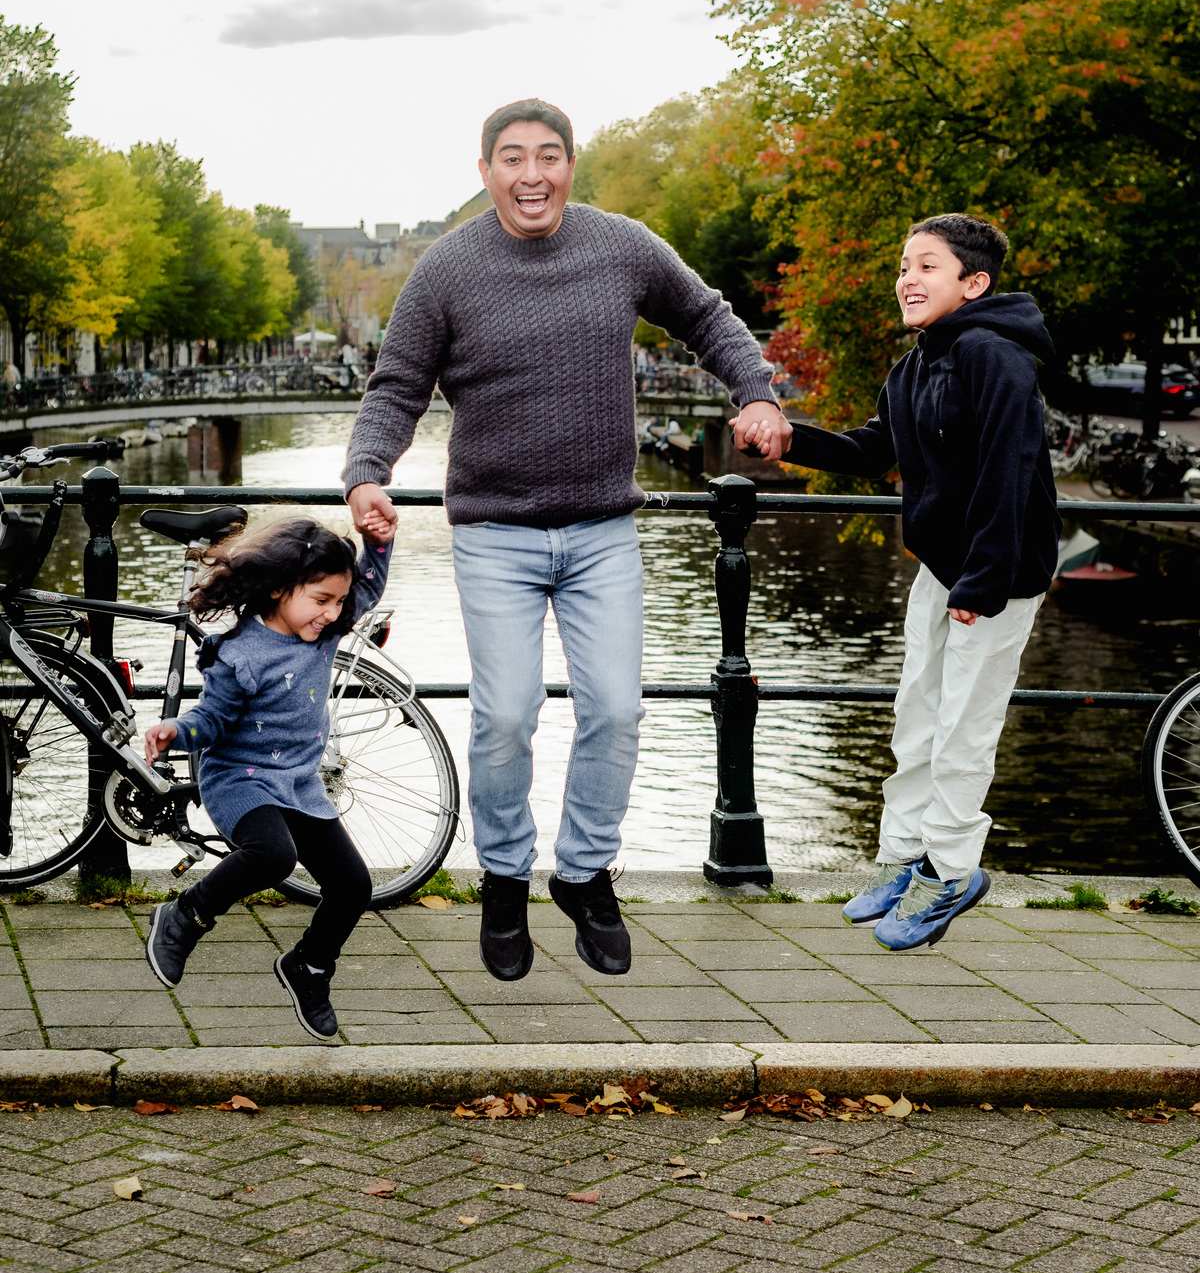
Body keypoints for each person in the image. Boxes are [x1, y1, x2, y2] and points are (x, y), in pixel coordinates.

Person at [343, 97, 792, 984]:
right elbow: (397, 384)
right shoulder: (446, 271)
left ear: (570, 166)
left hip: (600, 528)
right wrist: (366, 472)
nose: (532, 174)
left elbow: (706, 316)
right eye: (513, 158)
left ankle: (585, 874)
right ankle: (506, 880)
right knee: (506, 717)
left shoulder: (622, 245)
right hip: (496, 534)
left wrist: (759, 391)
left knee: (618, 713)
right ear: (486, 172)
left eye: (549, 156)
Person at [785, 213, 1059, 949]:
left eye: (927, 266)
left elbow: (1012, 469)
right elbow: (878, 451)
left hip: (995, 574)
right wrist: (791, 437)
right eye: (904, 264)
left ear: (974, 283)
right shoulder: (914, 366)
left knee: (965, 727)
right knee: (917, 715)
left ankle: (951, 871)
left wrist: (983, 582)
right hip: (944, 566)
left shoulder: (996, 356)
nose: (908, 277)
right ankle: (904, 857)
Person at [141, 517, 392, 1040]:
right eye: (321, 599)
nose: (333, 613)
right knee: (273, 856)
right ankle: (184, 916)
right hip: (239, 779)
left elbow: (367, 587)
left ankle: (310, 966)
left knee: (352, 886)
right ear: (280, 589)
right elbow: (209, 722)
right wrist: (175, 731)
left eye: (338, 602)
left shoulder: (325, 630)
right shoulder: (239, 655)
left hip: (298, 780)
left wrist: (379, 542)